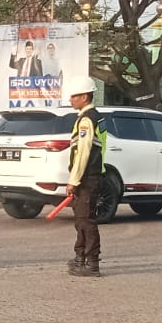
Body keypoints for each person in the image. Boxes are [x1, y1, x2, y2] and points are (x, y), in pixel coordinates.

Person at [63, 76, 107, 278]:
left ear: (84, 97)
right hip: (91, 176)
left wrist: (73, 181)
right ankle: (80, 257)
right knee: (81, 220)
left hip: (87, 178)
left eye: (74, 96)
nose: (71, 100)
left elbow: (83, 153)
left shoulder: (87, 120)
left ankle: (92, 263)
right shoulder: (95, 117)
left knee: (86, 221)